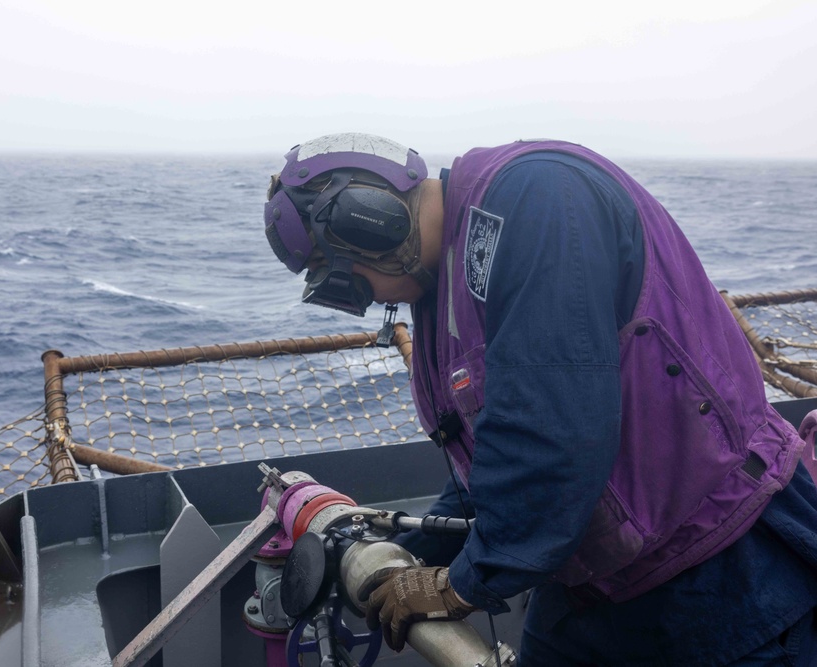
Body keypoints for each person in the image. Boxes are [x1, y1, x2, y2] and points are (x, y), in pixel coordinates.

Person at [263, 133, 817, 665]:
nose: (360, 300)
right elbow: (493, 450)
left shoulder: (537, 195)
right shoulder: (440, 284)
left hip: (723, 570)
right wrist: (416, 549)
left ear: (370, 221)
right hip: (590, 581)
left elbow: (552, 427)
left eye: (338, 276)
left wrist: (461, 584)